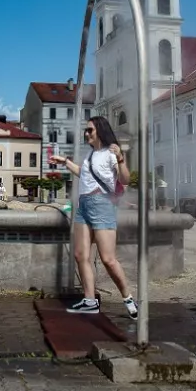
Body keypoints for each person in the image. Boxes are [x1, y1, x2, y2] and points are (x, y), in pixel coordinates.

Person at [49, 116, 138, 319]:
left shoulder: (110, 153)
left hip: (102, 205)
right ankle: (90, 301)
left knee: (108, 259)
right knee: (81, 255)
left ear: (100, 130)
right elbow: (84, 174)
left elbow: (125, 179)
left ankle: (128, 298)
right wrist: (65, 162)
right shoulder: (91, 155)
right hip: (83, 206)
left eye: (90, 130)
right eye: (86, 131)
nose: (86, 133)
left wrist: (121, 158)